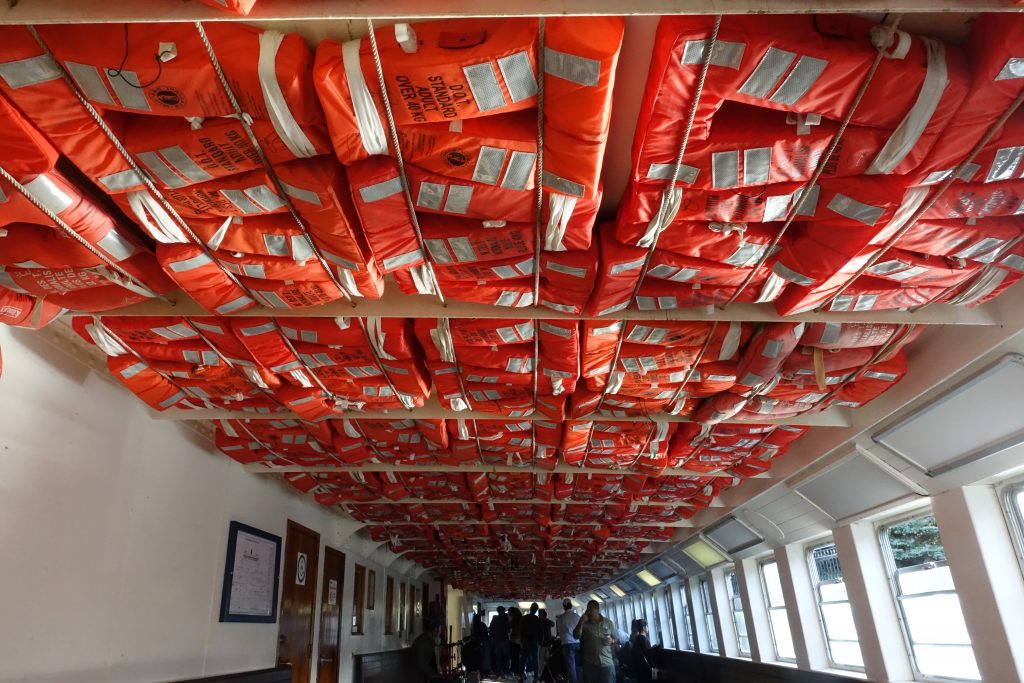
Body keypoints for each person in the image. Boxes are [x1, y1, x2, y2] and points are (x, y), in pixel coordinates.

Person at [572, 600, 617, 683]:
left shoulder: (608, 622)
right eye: (587, 609)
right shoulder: (585, 623)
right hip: (590, 662)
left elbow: (616, 639)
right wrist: (581, 622)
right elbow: (575, 636)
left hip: (607, 661)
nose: (588, 611)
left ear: (597, 609)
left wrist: (612, 640)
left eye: (590, 609)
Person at [556, 599, 581, 683]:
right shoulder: (577, 616)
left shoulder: (560, 618)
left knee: (571, 667)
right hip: (578, 643)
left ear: (563, 606)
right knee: (578, 666)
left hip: (567, 644)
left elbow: (560, 632)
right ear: (571, 605)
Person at [413, 617, 442, 682]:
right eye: (437, 629)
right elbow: (422, 663)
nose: (438, 631)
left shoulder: (429, 640)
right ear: (432, 629)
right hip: (419, 676)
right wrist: (433, 675)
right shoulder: (423, 642)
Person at [520, 603, 542, 681]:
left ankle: (521, 677)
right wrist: (540, 642)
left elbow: (521, 631)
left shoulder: (524, 618)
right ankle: (535, 678)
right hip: (534, 642)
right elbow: (540, 632)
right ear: (536, 610)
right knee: (535, 661)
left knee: (523, 660)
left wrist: (521, 642)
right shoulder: (537, 619)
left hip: (525, 642)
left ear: (530, 608)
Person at [490, 605, 511, 678]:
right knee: (506, 658)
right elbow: (508, 629)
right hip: (505, 641)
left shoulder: (494, 619)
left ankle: (498, 673)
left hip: (497, 641)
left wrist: (493, 638)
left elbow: (491, 630)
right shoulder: (506, 619)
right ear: (502, 611)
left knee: (498, 658)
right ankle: (506, 672)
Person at [538, 608, 554, 679]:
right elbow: (553, 624)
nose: (538, 616)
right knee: (548, 660)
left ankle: (540, 674)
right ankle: (549, 674)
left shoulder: (540, 622)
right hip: (549, 643)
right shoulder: (548, 621)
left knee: (541, 660)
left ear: (541, 615)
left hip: (543, 644)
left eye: (539, 615)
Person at [509, 606, 524, 682]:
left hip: (514, 640)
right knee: (520, 659)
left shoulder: (513, 620)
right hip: (521, 642)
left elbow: (510, 630)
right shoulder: (522, 619)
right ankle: (520, 673)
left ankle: (515, 672)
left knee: (514, 658)